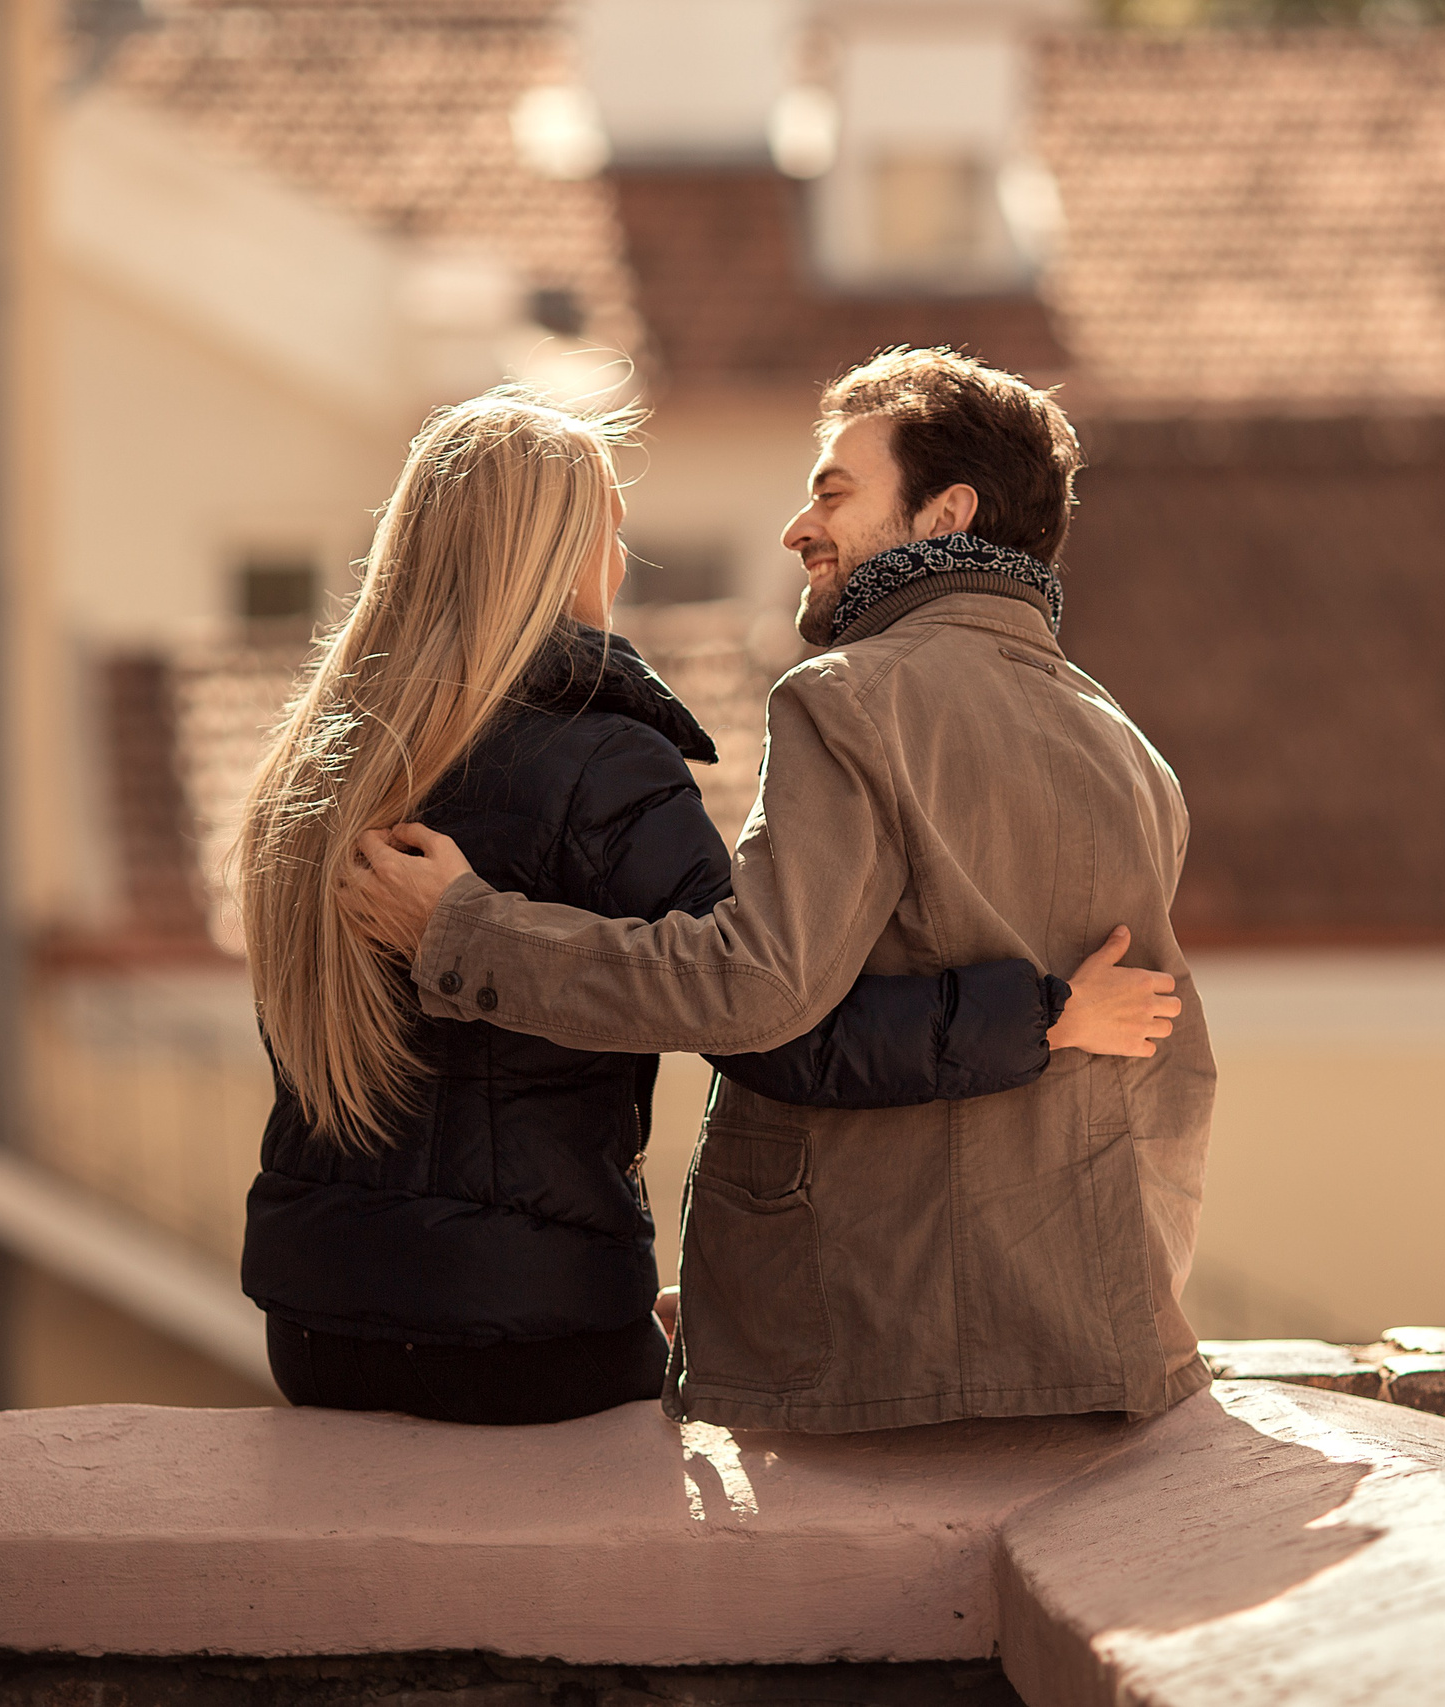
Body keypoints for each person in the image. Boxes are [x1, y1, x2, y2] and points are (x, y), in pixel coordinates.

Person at [234, 388, 1175, 1427]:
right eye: (611, 534)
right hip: (526, 1335)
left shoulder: (315, 766)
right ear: (558, 553)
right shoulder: (602, 758)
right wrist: (1041, 1014)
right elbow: (770, 1021)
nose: (619, 566)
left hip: (312, 1329)